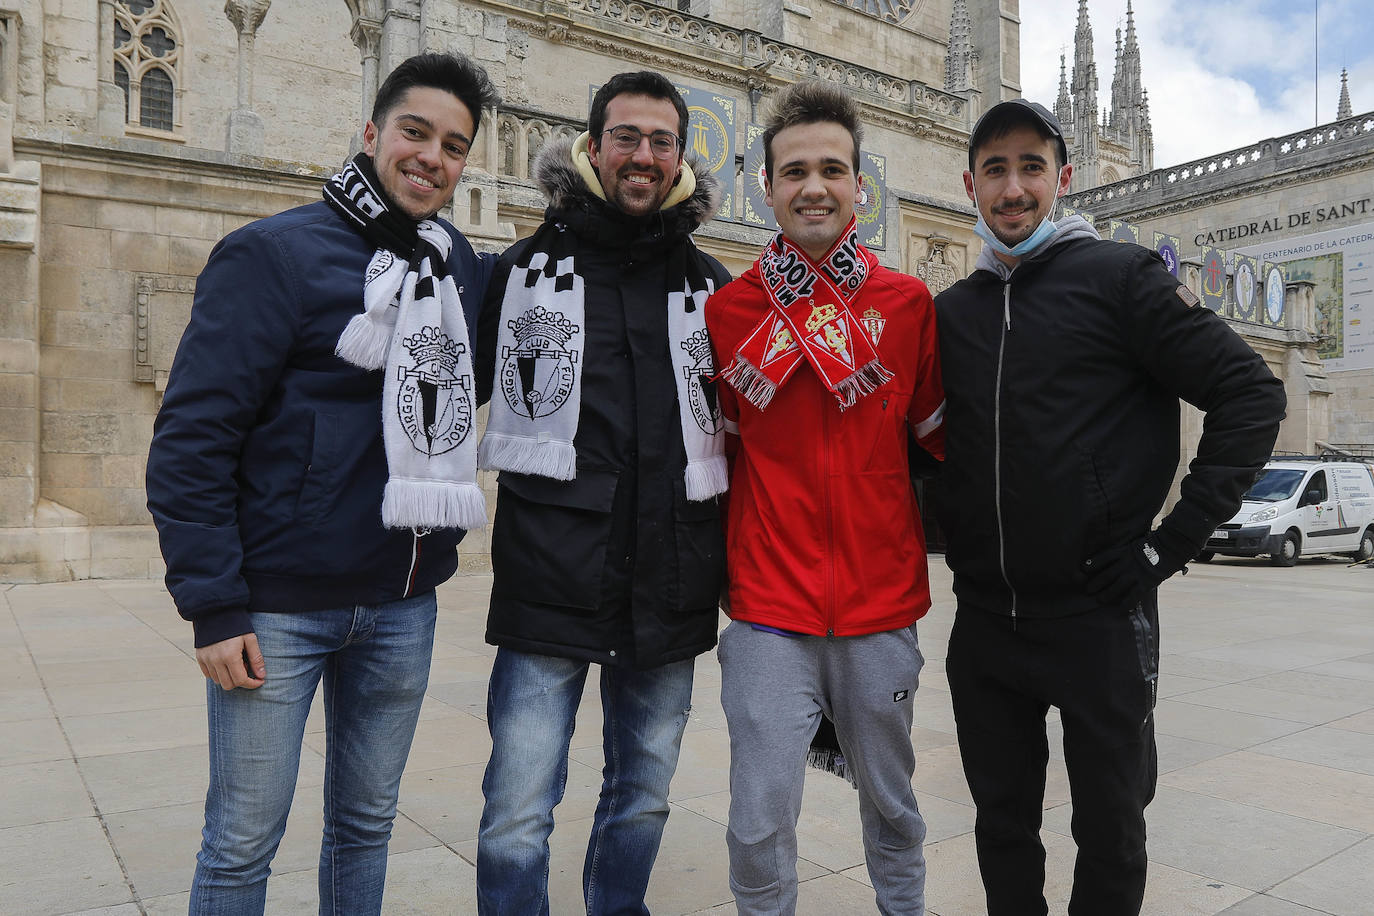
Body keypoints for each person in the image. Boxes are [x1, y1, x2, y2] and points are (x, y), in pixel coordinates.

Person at [145, 52, 498, 914]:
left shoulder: (456, 269)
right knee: (241, 843)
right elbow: (192, 440)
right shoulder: (273, 254)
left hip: (402, 602)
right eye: (415, 132)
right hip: (277, 611)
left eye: (454, 146)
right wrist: (214, 606)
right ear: (372, 132)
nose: (432, 158)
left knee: (366, 828)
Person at [934, 98, 1286, 915]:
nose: (1013, 187)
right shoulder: (953, 313)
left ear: (1063, 176)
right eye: (996, 169)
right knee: (1001, 827)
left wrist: (1171, 544)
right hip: (986, 620)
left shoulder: (1119, 279)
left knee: (1113, 830)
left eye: (1031, 167)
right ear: (969, 185)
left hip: (1100, 613)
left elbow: (1251, 393)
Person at [472, 70, 732, 914]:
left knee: (643, 797)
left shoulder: (712, 289)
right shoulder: (523, 273)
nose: (643, 156)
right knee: (517, 812)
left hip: (670, 586)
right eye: (626, 136)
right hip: (549, 580)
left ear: (682, 157)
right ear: (592, 146)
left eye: (661, 141)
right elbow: (433, 394)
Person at [704, 80, 946, 915]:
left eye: (833, 170)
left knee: (893, 805)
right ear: (765, 187)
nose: (815, 186)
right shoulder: (729, 312)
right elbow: (718, 449)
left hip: (881, 607)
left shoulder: (907, 306)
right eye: (796, 170)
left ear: (859, 186)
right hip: (770, 605)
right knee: (756, 814)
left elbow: (937, 445)